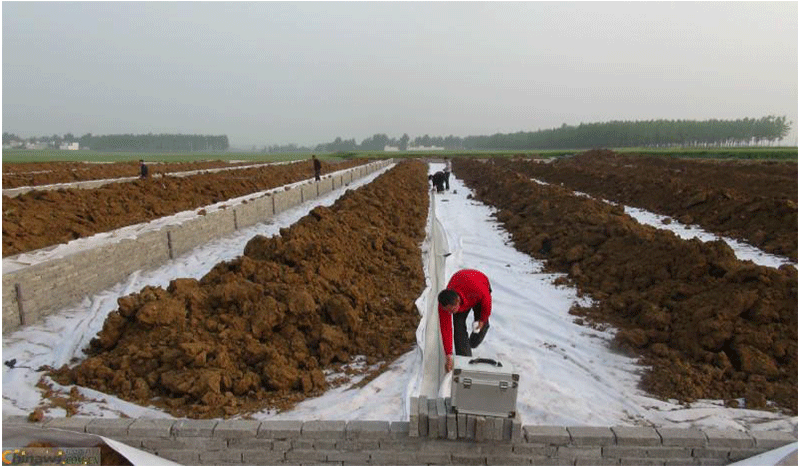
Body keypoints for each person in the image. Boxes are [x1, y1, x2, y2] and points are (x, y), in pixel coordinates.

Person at [438, 269, 492, 372]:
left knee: (481, 327)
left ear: (458, 301)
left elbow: (487, 302)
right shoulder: (444, 306)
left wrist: (482, 319)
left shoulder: (478, 290)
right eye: (448, 311)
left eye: (452, 310)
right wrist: (448, 354)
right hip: (462, 286)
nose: (450, 313)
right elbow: (446, 329)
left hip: (478, 288)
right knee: (458, 328)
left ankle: (472, 342)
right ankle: (465, 362)